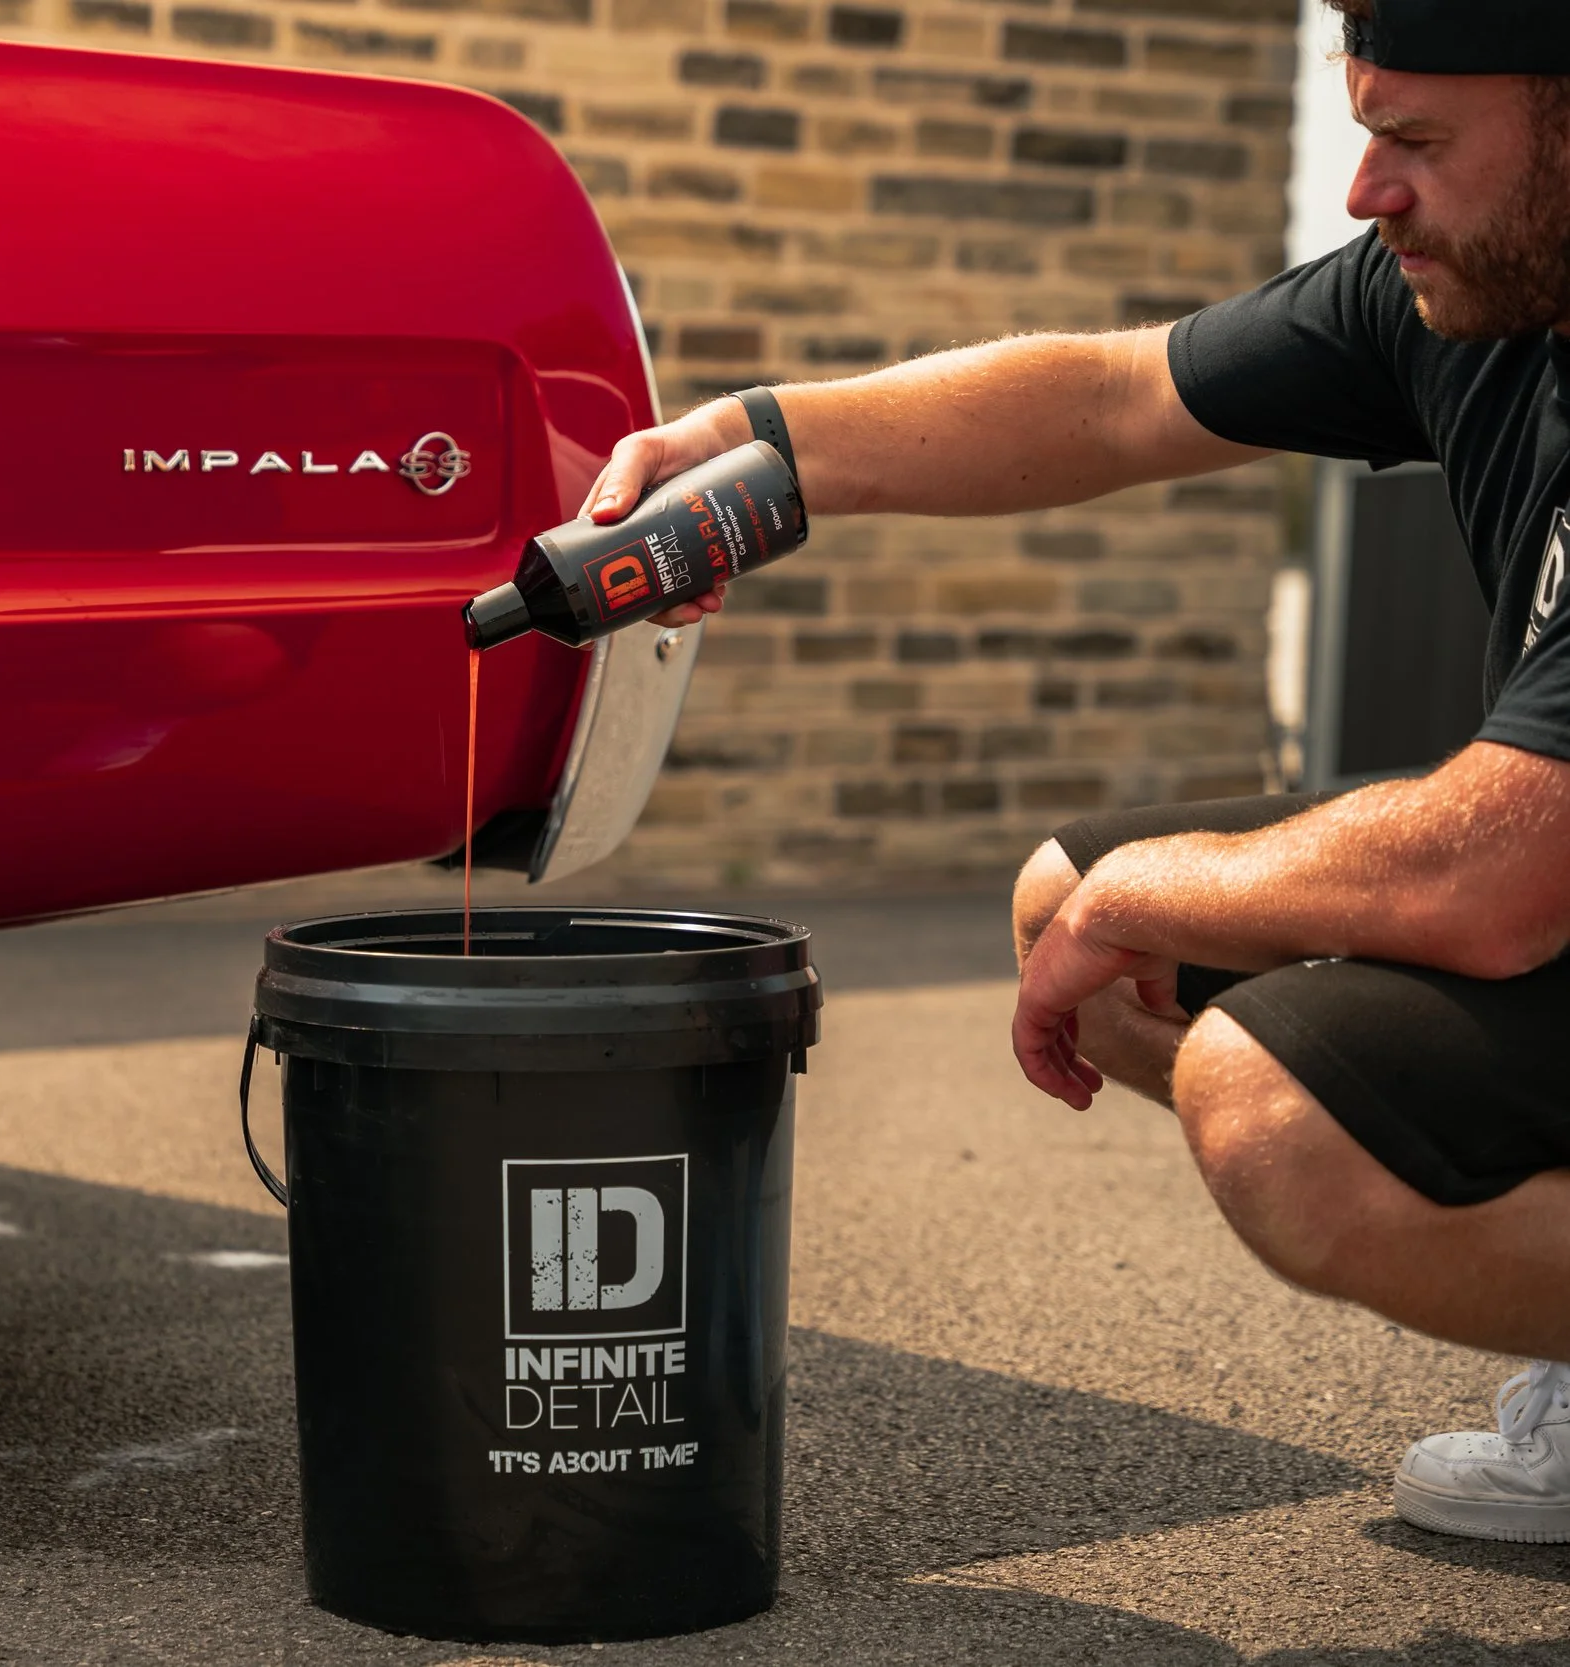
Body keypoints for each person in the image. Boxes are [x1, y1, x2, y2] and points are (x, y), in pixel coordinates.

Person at [582, 0, 1570, 1543]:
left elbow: (1494, 878)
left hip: (1532, 870)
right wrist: (762, 444)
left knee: (1279, 1111)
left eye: (1418, 141)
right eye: (1365, 128)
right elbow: (1113, 396)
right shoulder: (1473, 293)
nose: (1366, 188)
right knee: (1085, 914)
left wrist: (1147, 891)